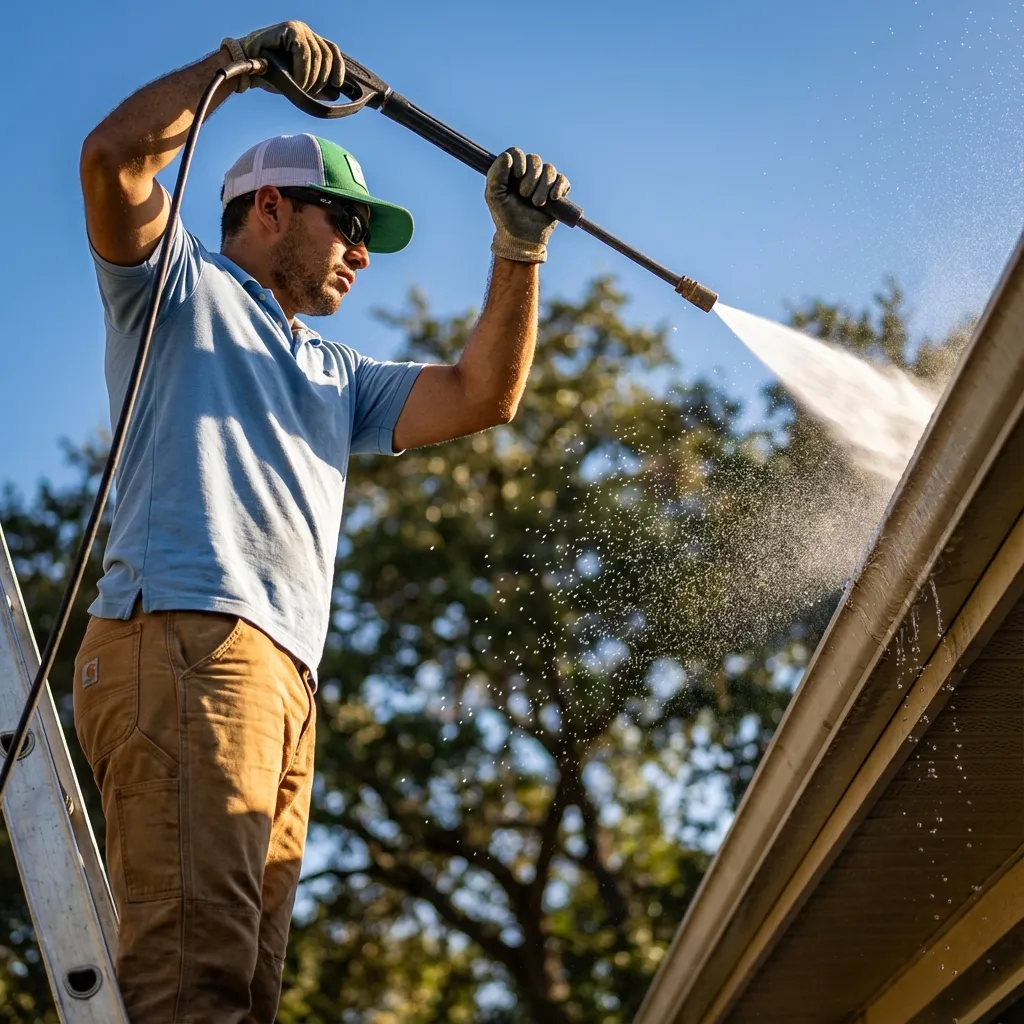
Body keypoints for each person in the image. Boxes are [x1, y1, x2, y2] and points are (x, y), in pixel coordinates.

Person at [73, 20, 570, 1024]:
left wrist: (518, 250)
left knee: (245, 996)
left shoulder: (333, 373)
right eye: (346, 224)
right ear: (268, 207)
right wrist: (235, 68)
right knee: (193, 989)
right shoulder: (180, 288)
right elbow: (113, 162)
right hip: (184, 639)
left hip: (279, 678)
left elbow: (482, 393)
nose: (360, 254)